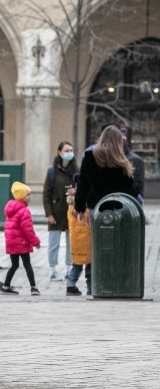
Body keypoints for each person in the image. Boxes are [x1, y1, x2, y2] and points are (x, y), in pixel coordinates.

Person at [71, 126, 138, 295]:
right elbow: (129, 190)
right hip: (118, 211)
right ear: (118, 142)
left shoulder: (89, 157)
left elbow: (83, 186)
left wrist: (80, 208)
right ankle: (115, 282)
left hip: (96, 209)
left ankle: (92, 284)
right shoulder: (122, 163)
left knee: (96, 246)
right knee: (116, 246)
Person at [0, 182, 41, 295]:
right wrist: (35, 242)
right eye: (28, 194)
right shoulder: (24, 211)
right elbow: (28, 230)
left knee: (14, 265)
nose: (30, 197)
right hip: (22, 243)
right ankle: (33, 287)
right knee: (27, 264)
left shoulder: (10, 209)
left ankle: (6, 286)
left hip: (12, 243)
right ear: (22, 196)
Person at [42, 141, 77, 280]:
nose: (69, 153)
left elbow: (82, 189)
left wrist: (76, 191)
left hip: (71, 212)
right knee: (53, 243)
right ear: (59, 152)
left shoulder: (76, 170)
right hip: (56, 212)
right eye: (66, 150)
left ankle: (69, 269)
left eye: (71, 150)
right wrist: (49, 213)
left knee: (71, 243)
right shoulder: (52, 171)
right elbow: (46, 194)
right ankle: (53, 269)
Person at [65, 185, 91, 296]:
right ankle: (91, 287)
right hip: (87, 239)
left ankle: (70, 285)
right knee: (90, 263)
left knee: (77, 264)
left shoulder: (70, 205)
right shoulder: (83, 206)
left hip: (76, 239)